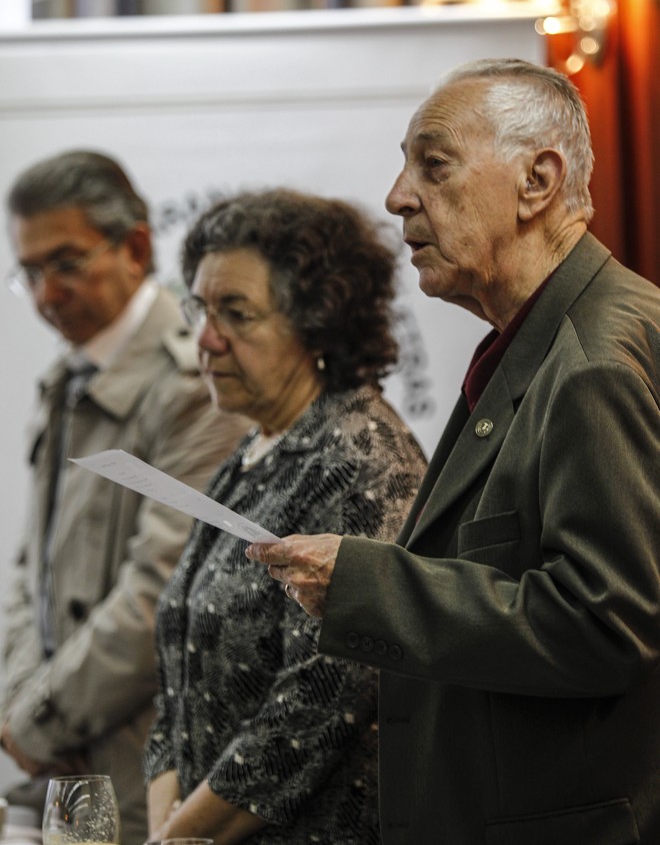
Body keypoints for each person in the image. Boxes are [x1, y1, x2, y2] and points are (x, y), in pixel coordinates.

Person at [247, 59, 660, 843]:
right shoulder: (541, 343)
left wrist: (369, 586)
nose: (397, 196)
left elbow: (607, 626)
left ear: (538, 181)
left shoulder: (594, 360)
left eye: (433, 165)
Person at [143, 188, 427, 845]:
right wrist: (167, 816)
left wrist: (180, 834)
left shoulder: (360, 453)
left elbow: (329, 696)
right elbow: (180, 656)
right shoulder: (253, 448)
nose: (205, 340)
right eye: (200, 309)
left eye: (236, 314)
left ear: (317, 323)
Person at [0, 150, 250, 845]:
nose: (48, 292)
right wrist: (25, 706)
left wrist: (34, 721)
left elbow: (155, 597)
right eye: (30, 272)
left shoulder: (196, 386)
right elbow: (32, 572)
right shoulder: (66, 380)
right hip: (60, 760)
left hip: (145, 768)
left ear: (135, 247)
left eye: (67, 263)